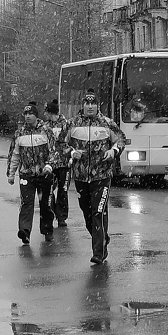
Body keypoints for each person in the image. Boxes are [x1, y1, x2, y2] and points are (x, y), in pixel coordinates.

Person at [68, 89, 127, 264]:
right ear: (83, 106)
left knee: (99, 212)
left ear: (98, 106)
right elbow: (59, 145)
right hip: (80, 176)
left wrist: (113, 150)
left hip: (101, 176)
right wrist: (72, 152)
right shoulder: (73, 124)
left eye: (93, 103)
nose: (90, 106)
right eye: (87, 103)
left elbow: (121, 140)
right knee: (87, 214)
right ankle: (102, 238)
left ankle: (99, 253)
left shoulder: (107, 123)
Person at [6, 103, 55, 244]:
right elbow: (14, 155)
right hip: (26, 174)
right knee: (26, 203)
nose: (27, 116)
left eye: (30, 114)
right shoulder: (19, 133)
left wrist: (49, 165)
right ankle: (25, 231)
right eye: (26, 114)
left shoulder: (46, 131)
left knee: (45, 204)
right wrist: (11, 173)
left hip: (44, 174)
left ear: (36, 115)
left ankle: (47, 230)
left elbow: (53, 151)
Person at [42, 99, 72, 227]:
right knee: (48, 190)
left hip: (64, 164)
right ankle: (53, 211)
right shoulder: (44, 126)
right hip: (50, 164)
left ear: (51, 112)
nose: (44, 114)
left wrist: (70, 155)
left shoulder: (66, 124)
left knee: (63, 191)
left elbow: (72, 142)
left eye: (46, 112)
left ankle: (61, 217)